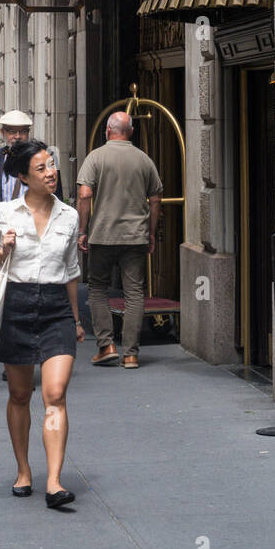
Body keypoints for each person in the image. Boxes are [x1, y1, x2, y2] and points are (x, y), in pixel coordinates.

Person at [0, 140, 83, 509]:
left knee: (55, 394)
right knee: (20, 395)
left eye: (51, 165)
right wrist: (3, 250)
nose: (51, 172)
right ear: (22, 177)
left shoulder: (69, 215)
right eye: (41, 168)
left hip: (56, 309)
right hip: (17, 305)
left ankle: (54, 481)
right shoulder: (4, 213)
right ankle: (24, 470)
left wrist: (77, 319)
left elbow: (71, 272)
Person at [76, 111, 163, 369]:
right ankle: (131, 354)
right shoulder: (144, 160)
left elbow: (84, 194)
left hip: (102, 235)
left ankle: (106, 345)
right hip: (135, 236)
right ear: (131, 132)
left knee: (98, 288)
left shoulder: (96, 157)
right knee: (134, 292)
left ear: (107, 131)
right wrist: (150, 232)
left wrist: (83, 229)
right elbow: (156, 198)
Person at [0, 111, 63, 207]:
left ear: (28, 132)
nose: (17, 136)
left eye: (22, 131)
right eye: (12, 132)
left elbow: (56, 197)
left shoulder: (46, 159)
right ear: (2, 132)